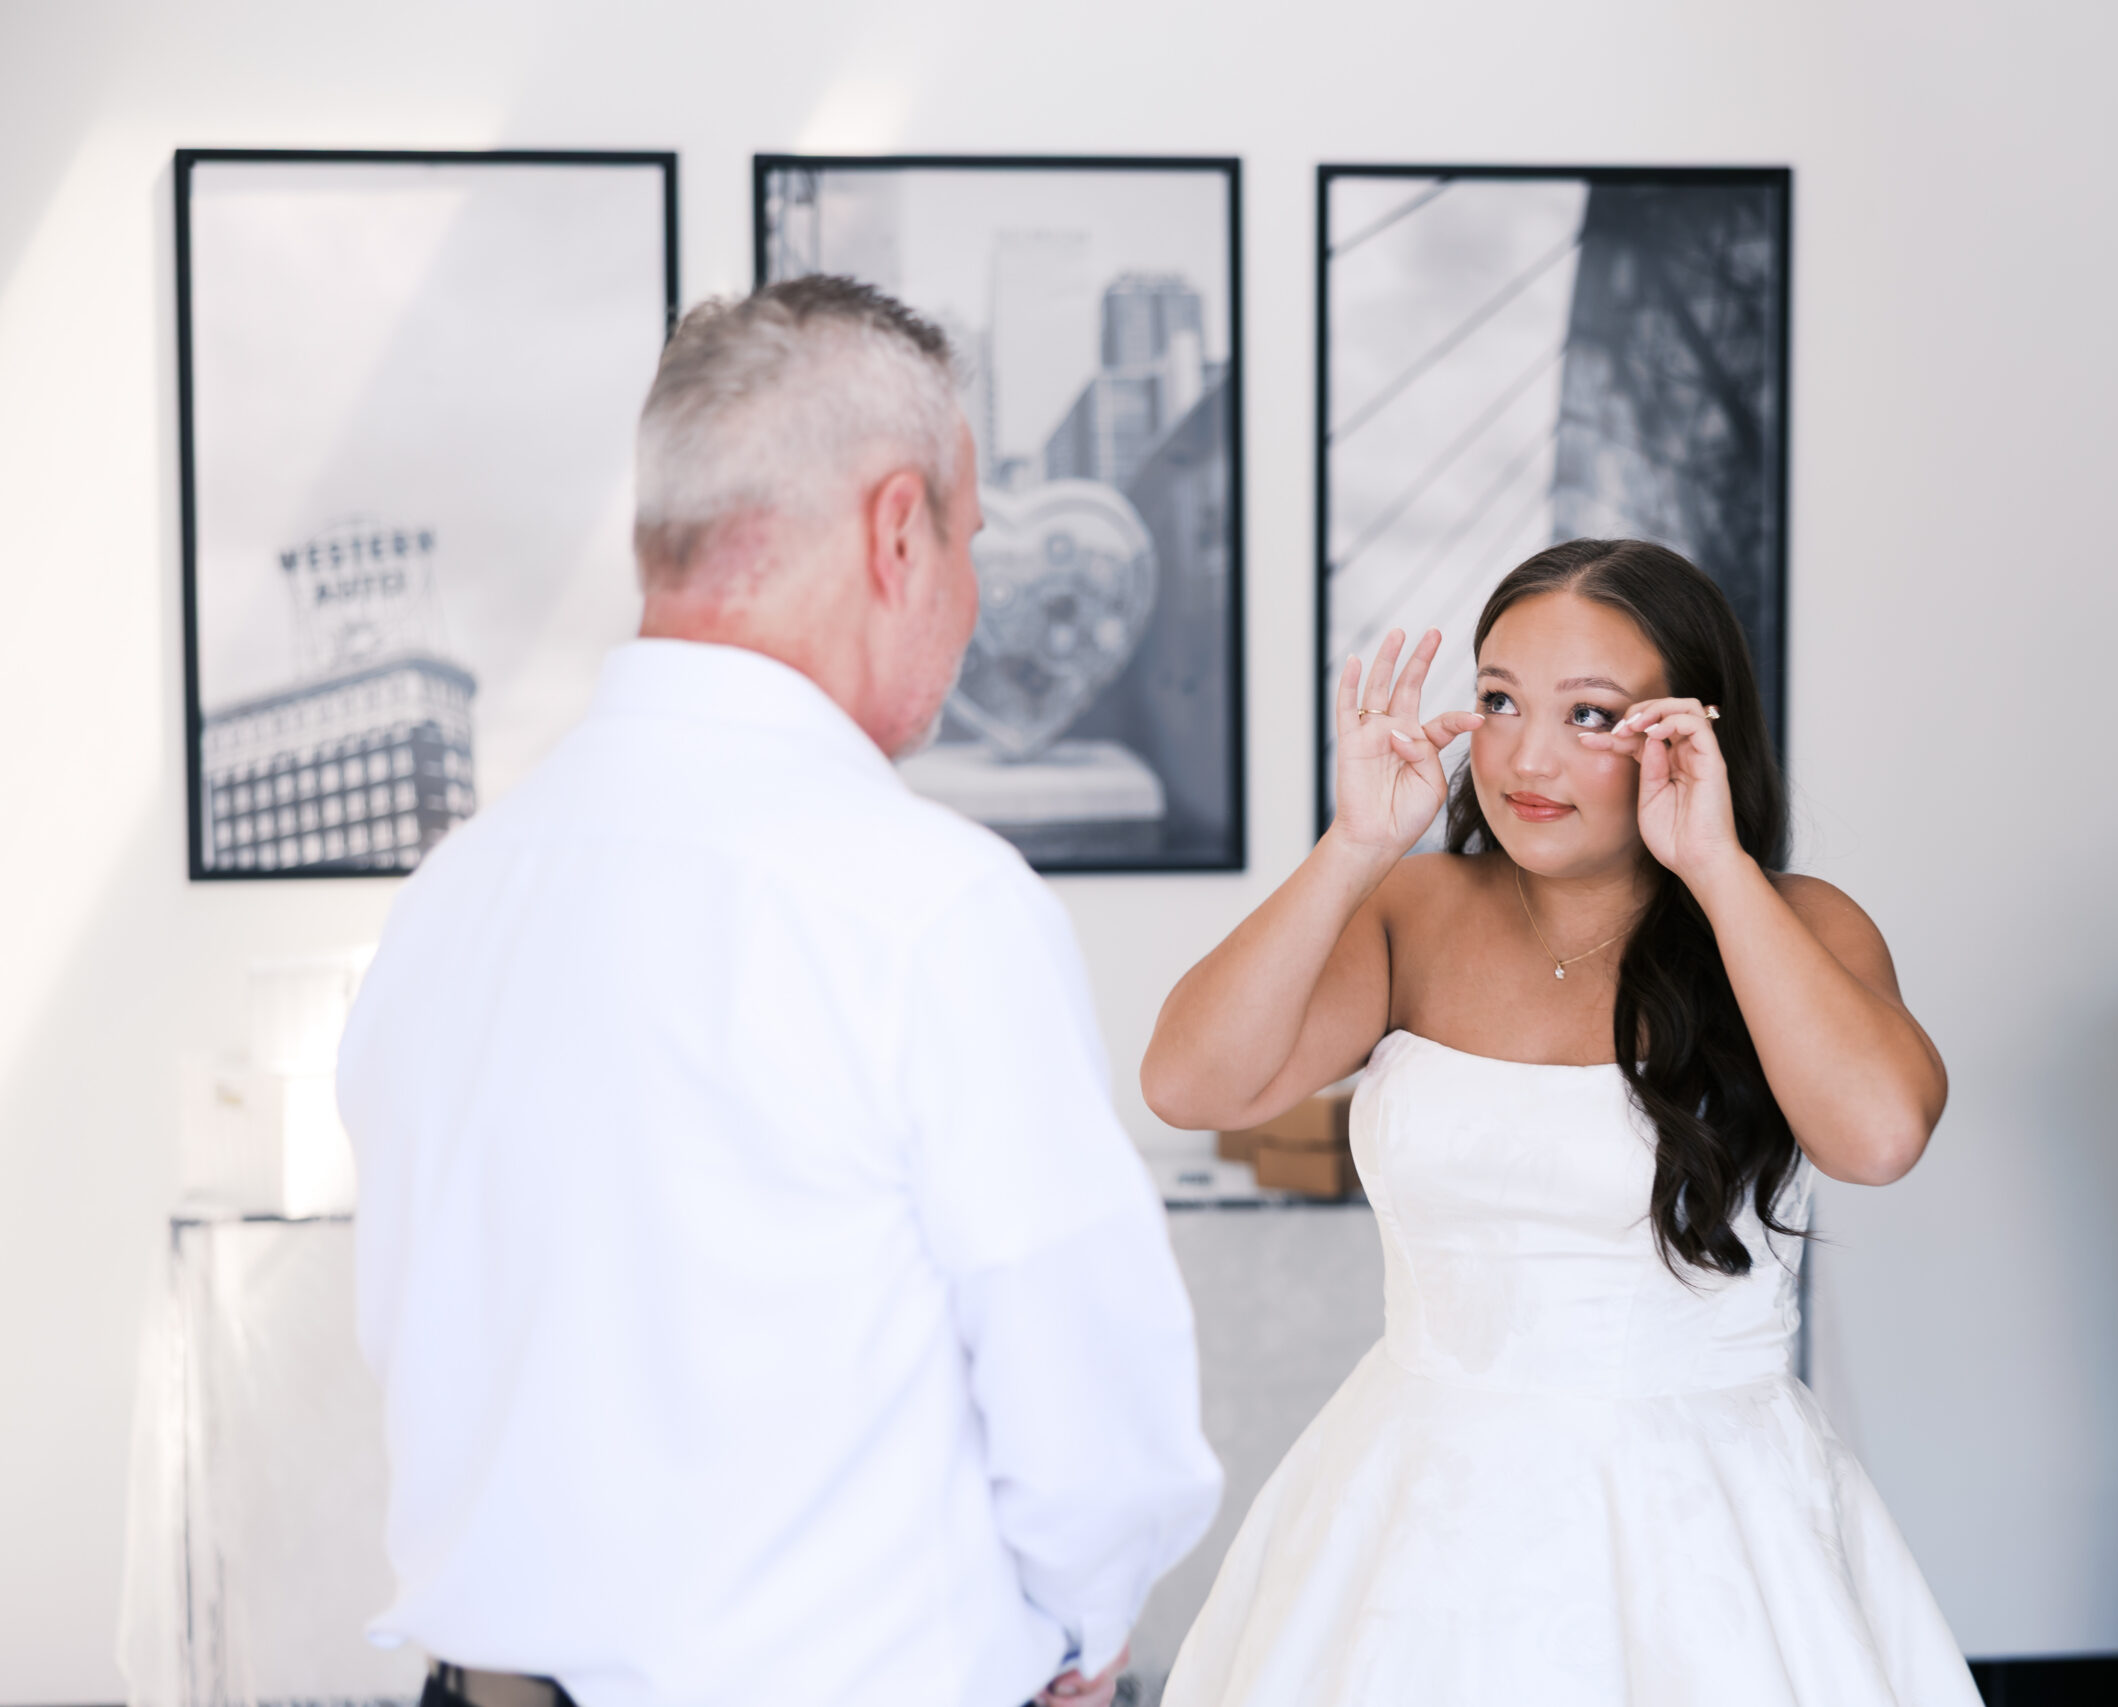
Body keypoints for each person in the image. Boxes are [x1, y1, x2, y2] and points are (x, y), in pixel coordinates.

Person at [337, 277, 1222, 1707]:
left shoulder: (455, 893)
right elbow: (1088, 1400)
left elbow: (419, 1331)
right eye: (971, 538)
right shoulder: (930, 906)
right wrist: (1083, 1623)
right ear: (896, 531)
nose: (977, 594)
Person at [1146, 539, 1980, 1705]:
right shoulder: (1414, 910)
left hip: (1701, 1514)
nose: (1526, 756)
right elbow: (1190, 1084)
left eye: (1591, 716)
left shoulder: (1795, 924)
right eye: (1496, 700)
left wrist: (1715, 864)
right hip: (1413, 1498)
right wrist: (1351, 850)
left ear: (1689, 732)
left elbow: (1879, 1138)